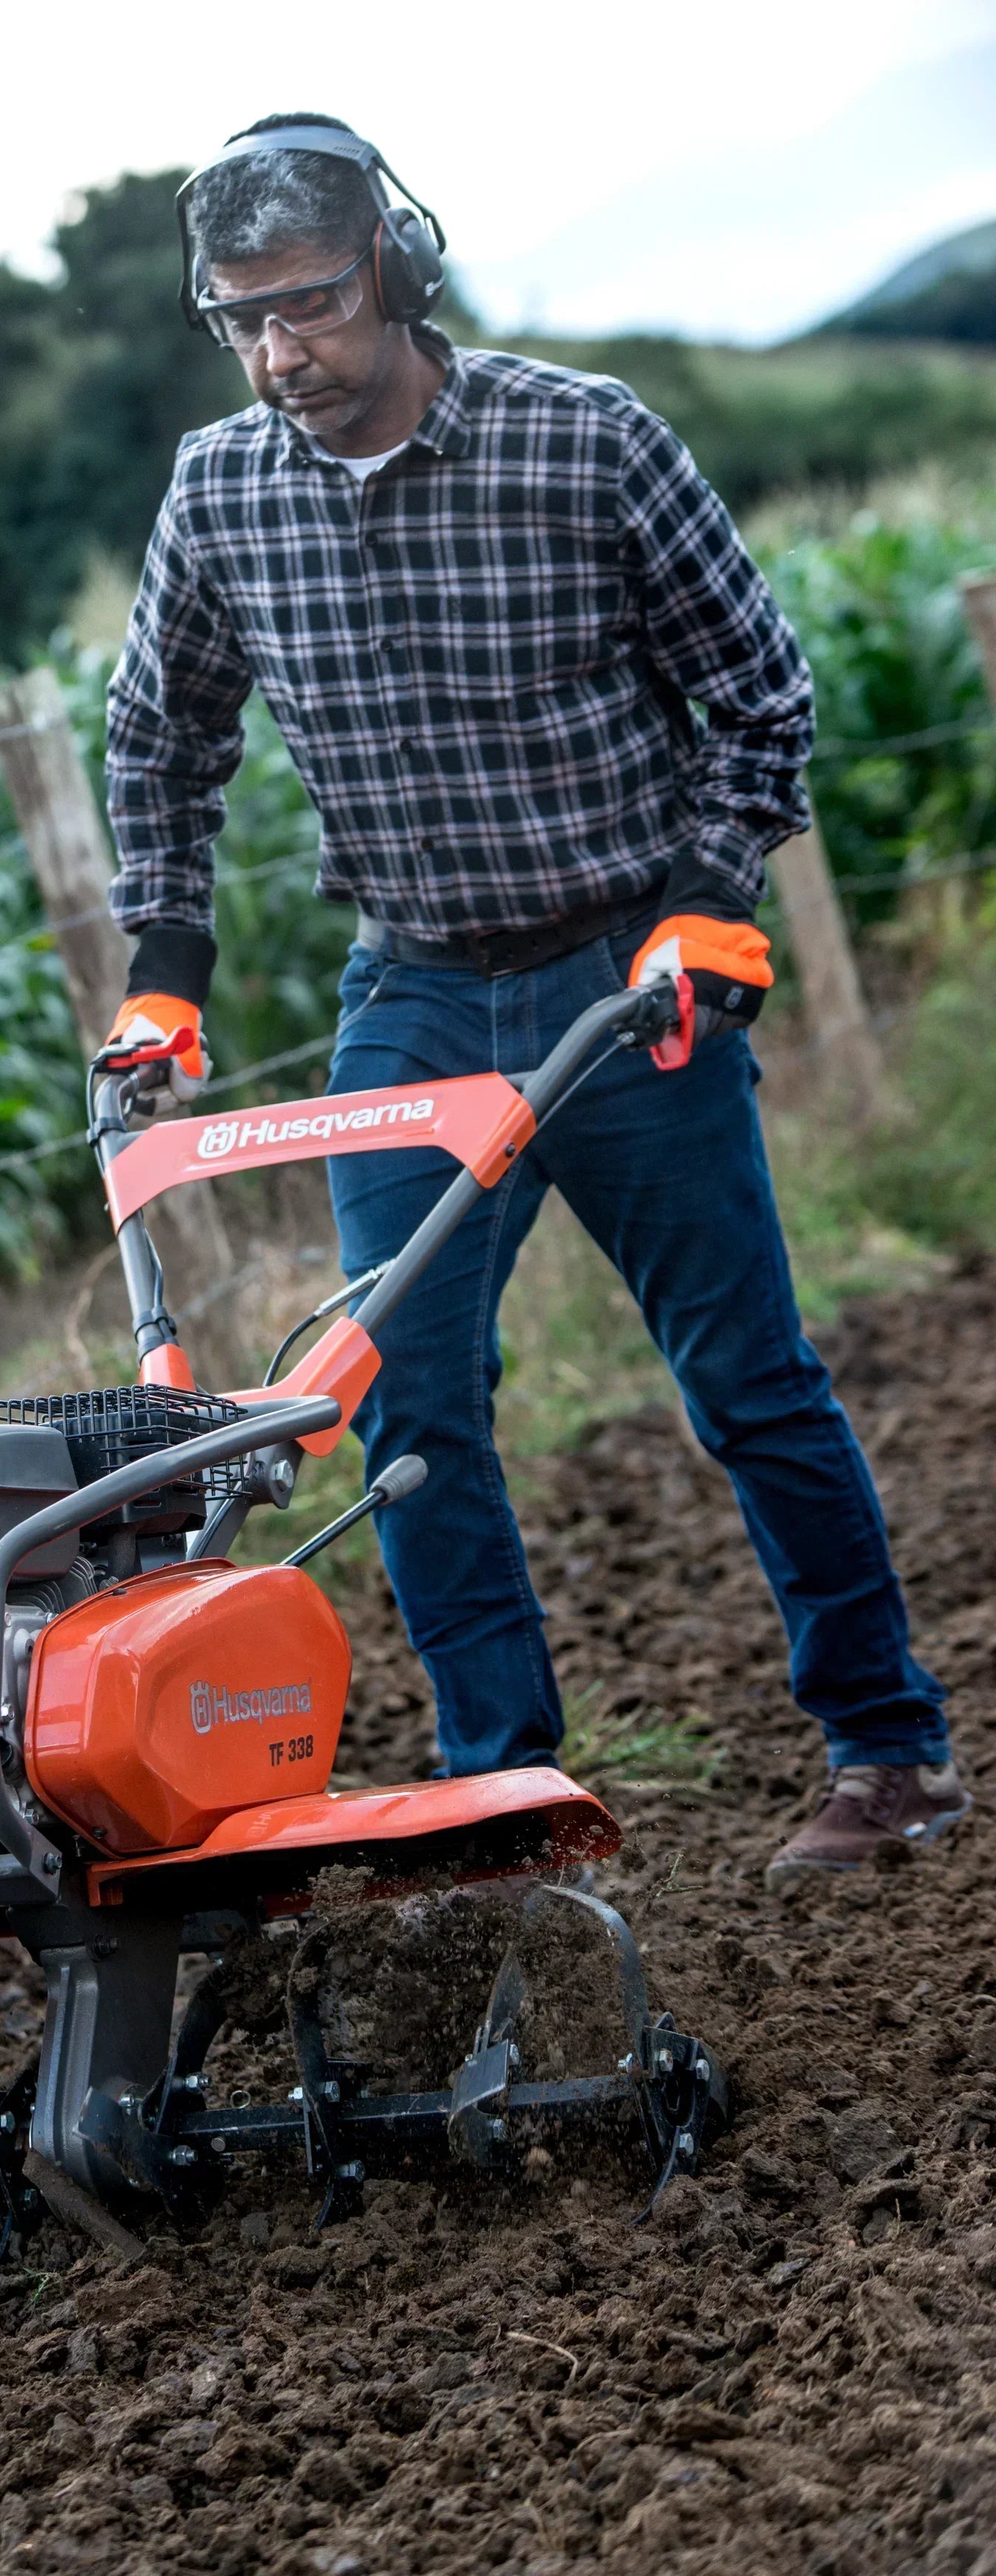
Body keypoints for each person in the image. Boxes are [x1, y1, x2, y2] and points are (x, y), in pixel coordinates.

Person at [97, 113, 968, 1892]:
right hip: (409, 990)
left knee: (746, 1377)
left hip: (620, 984)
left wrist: (708, 903)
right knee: (402, 1404)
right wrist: (162, 980)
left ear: (398, 269)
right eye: (243, 319)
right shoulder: (222, 487)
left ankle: (888, 1750)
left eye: (314, 306)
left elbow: (759, 690)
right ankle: (506, 1796)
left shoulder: (583, 443)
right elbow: (161, 737)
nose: (283, 354)